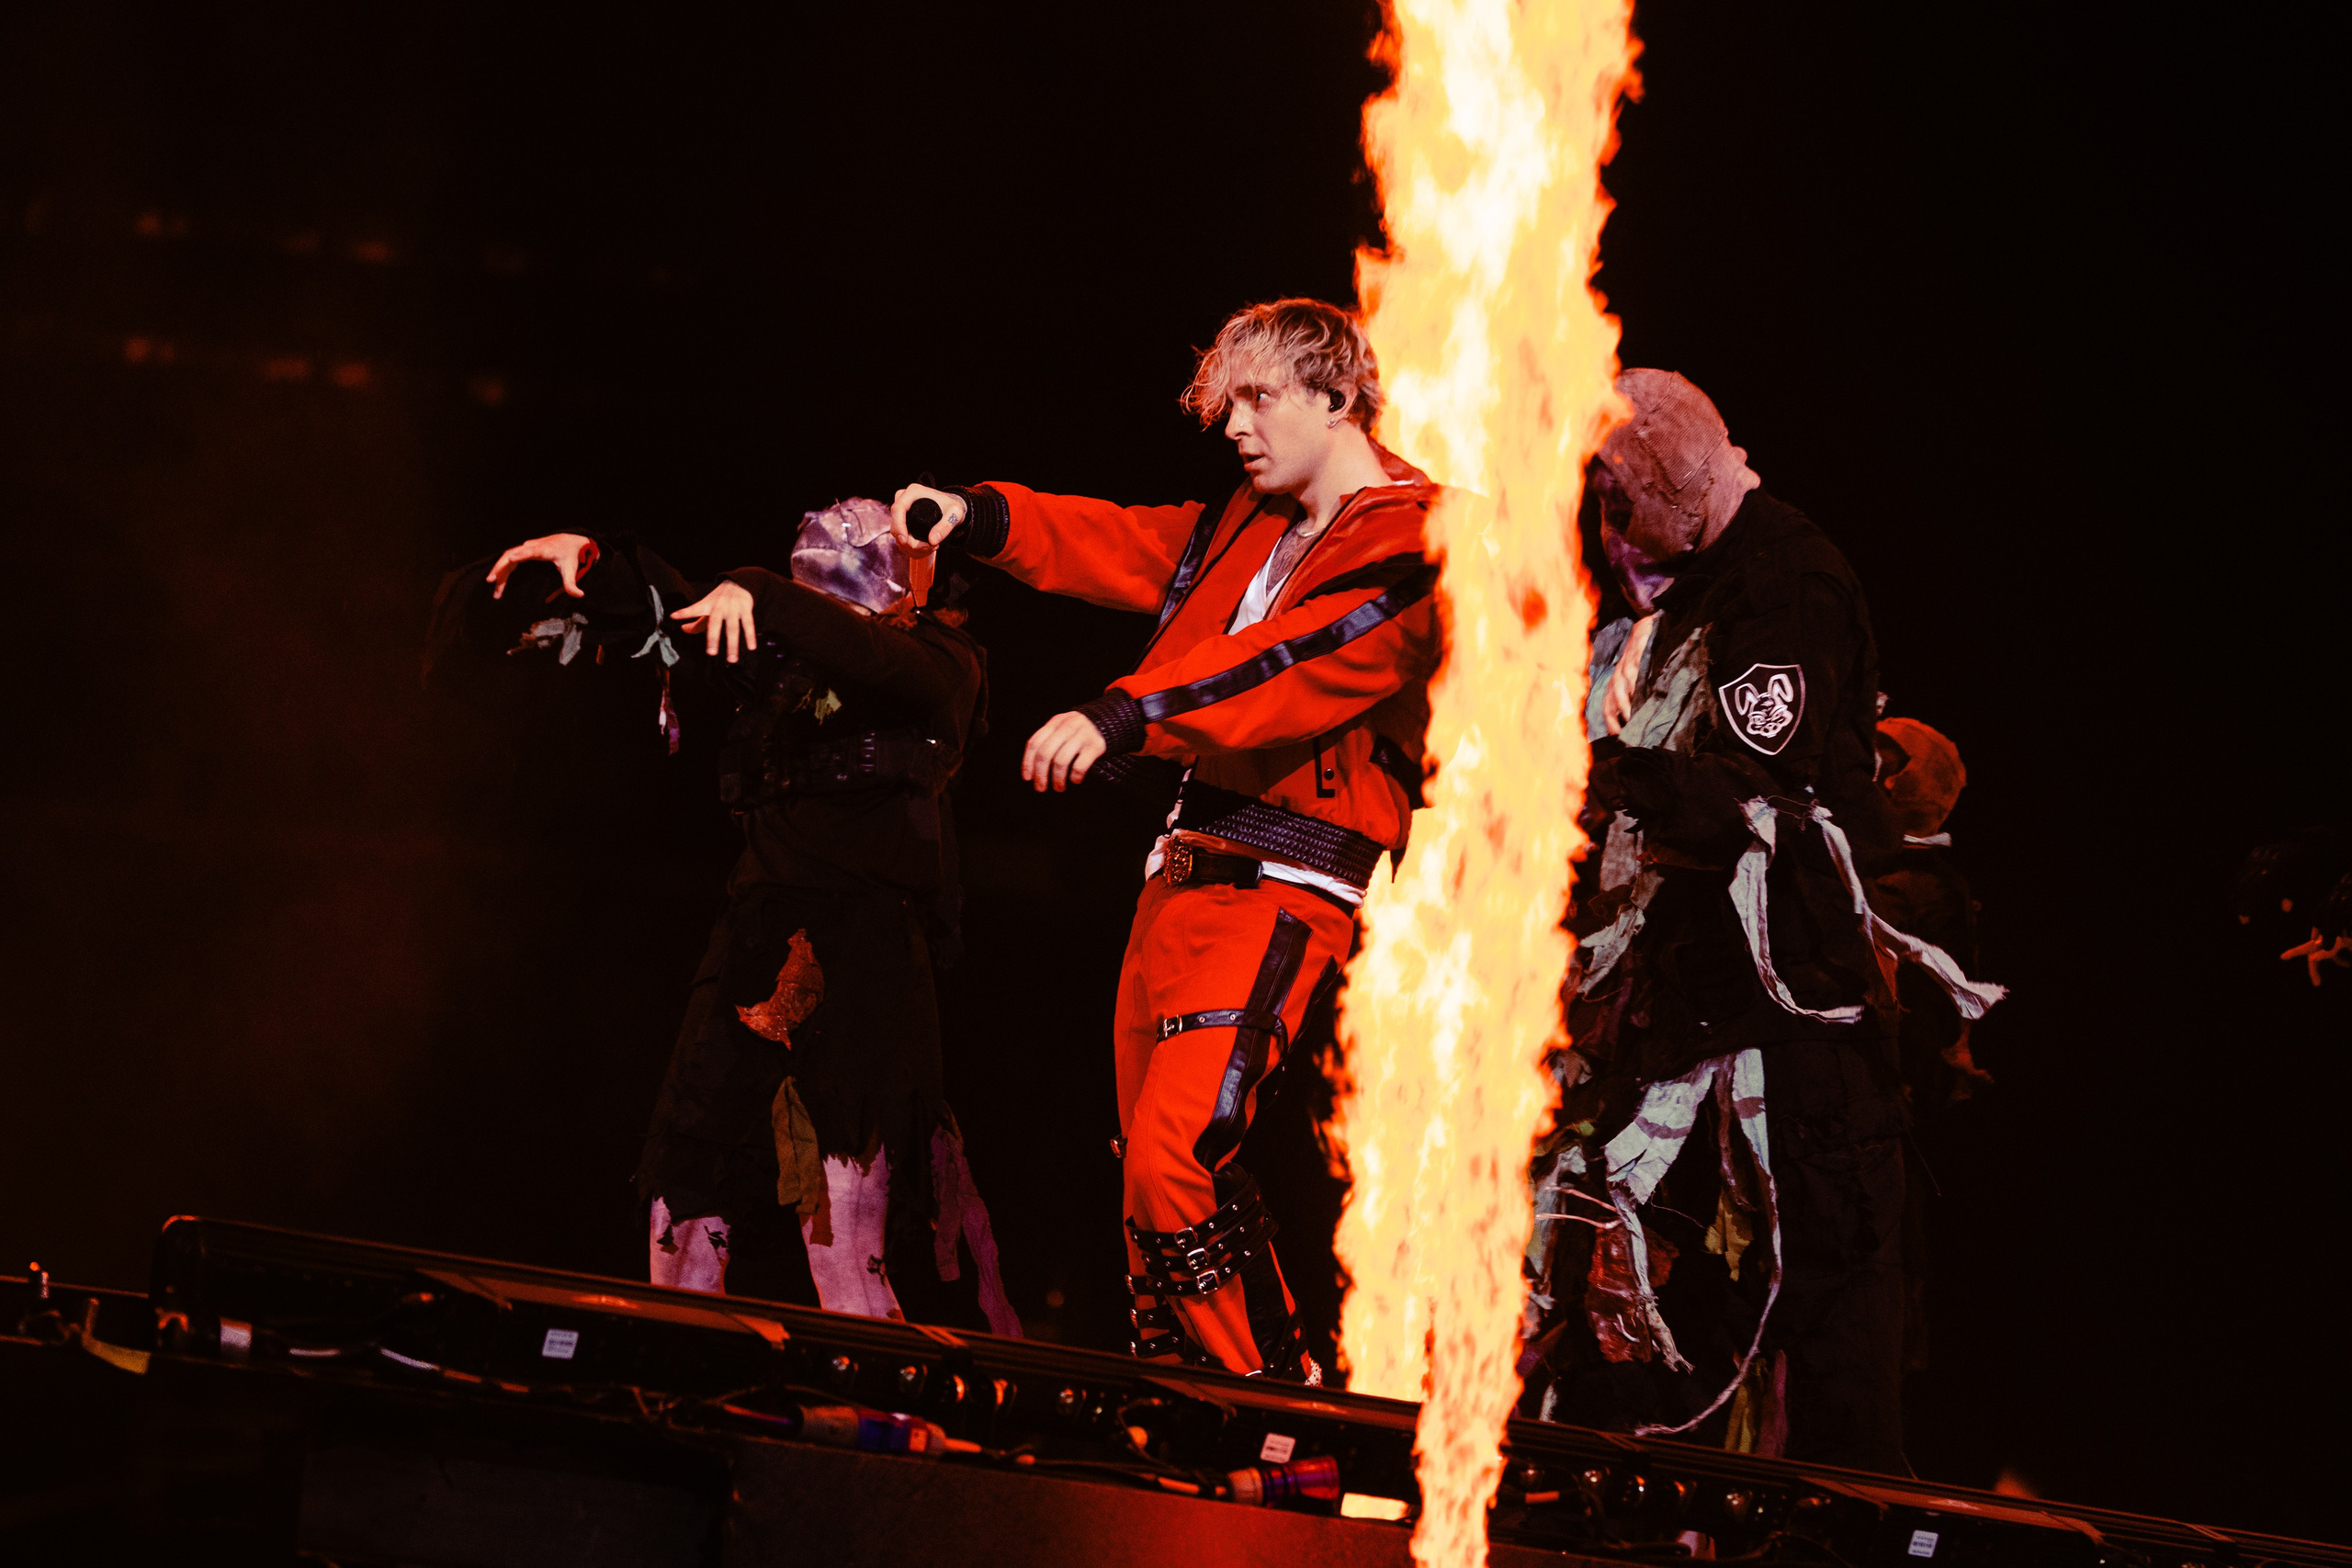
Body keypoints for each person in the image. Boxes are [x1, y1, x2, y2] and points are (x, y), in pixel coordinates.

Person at [887, 299, 1441, 1381]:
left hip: (1282, 877)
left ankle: (1277, 1412)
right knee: (1148, 1173)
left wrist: (1125, 712)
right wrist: (982, 516)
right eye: (1226, 404)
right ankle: (1195, 1407)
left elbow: (1291, 662)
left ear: (1336, 398)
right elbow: (1135, 544)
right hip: (1181, 874)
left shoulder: (1425, 538)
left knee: (1174, 1160)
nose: (1235, 426)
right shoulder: (1247, 518)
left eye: (1259, 399)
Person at [1523, 369, 1999, 1472]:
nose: (1606, 535)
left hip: (1789, 1031)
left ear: (1672, 487)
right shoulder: (1693, 594)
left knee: (1827, 1294)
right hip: (1692, 1017)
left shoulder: (1783, 584)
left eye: (1616, 502)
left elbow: (1753, 790)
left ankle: (1833, 1537)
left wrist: (1593, 774)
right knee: (1628, 1268)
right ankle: (1639, 1499)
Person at [433, 500, 1017, 1334]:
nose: (826, 612)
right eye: (813, 591)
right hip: (759, 934)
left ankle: (876, 1408)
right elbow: (677, 608)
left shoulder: (940, 662)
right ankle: (681, 1360)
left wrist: (756, 587)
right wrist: (598, 563)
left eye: (839, 594)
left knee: (846, 1222)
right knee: (684, 1171)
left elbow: (867, 652)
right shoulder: (780, 659)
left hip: (865, 949)